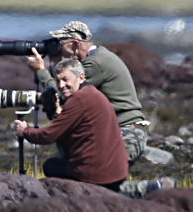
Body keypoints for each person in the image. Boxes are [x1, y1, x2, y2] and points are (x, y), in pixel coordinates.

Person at [28, 20, 149, 164]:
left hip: (126, 134)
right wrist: (56, 64)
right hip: (119, 130)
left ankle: (149, 187)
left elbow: (64, 96)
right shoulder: (99, 56)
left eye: (62, 43)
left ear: (76, 44)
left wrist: (40, 71)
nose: (59, 48)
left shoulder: (94, 64)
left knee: (88, 172)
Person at [13, 58, 128, 192]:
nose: (61, 85)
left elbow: (48, 136)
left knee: (50, 166)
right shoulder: (93, 93)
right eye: (58, 81)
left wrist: (25, 130)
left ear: (80, 77)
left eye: (65, 79)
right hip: (116, 173)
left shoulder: (78, 99)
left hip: (96, 177)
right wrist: (59, 112)